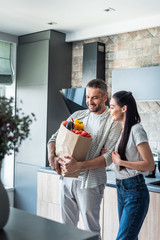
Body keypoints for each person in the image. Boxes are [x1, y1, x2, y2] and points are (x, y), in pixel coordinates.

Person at [48, 79, 122, 239]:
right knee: (66, 227)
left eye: (94, 97)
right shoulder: (77, 115)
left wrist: (78, 166)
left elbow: (107, 158)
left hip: (91, 182)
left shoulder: (113, 123)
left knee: (91, 229)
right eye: (88, 97)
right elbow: (53, 138)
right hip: (67, 178)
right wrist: (51, 156)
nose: (90, 101)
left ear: (104, 97)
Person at [108, 90, 155, 240]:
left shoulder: (136, 129)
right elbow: (118, 162)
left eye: (112, 106)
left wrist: (121, 162)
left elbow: (149, 164)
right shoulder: (122, 131)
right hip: (122, 188)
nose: (109, 111)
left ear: (124, 108)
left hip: (135, 191)